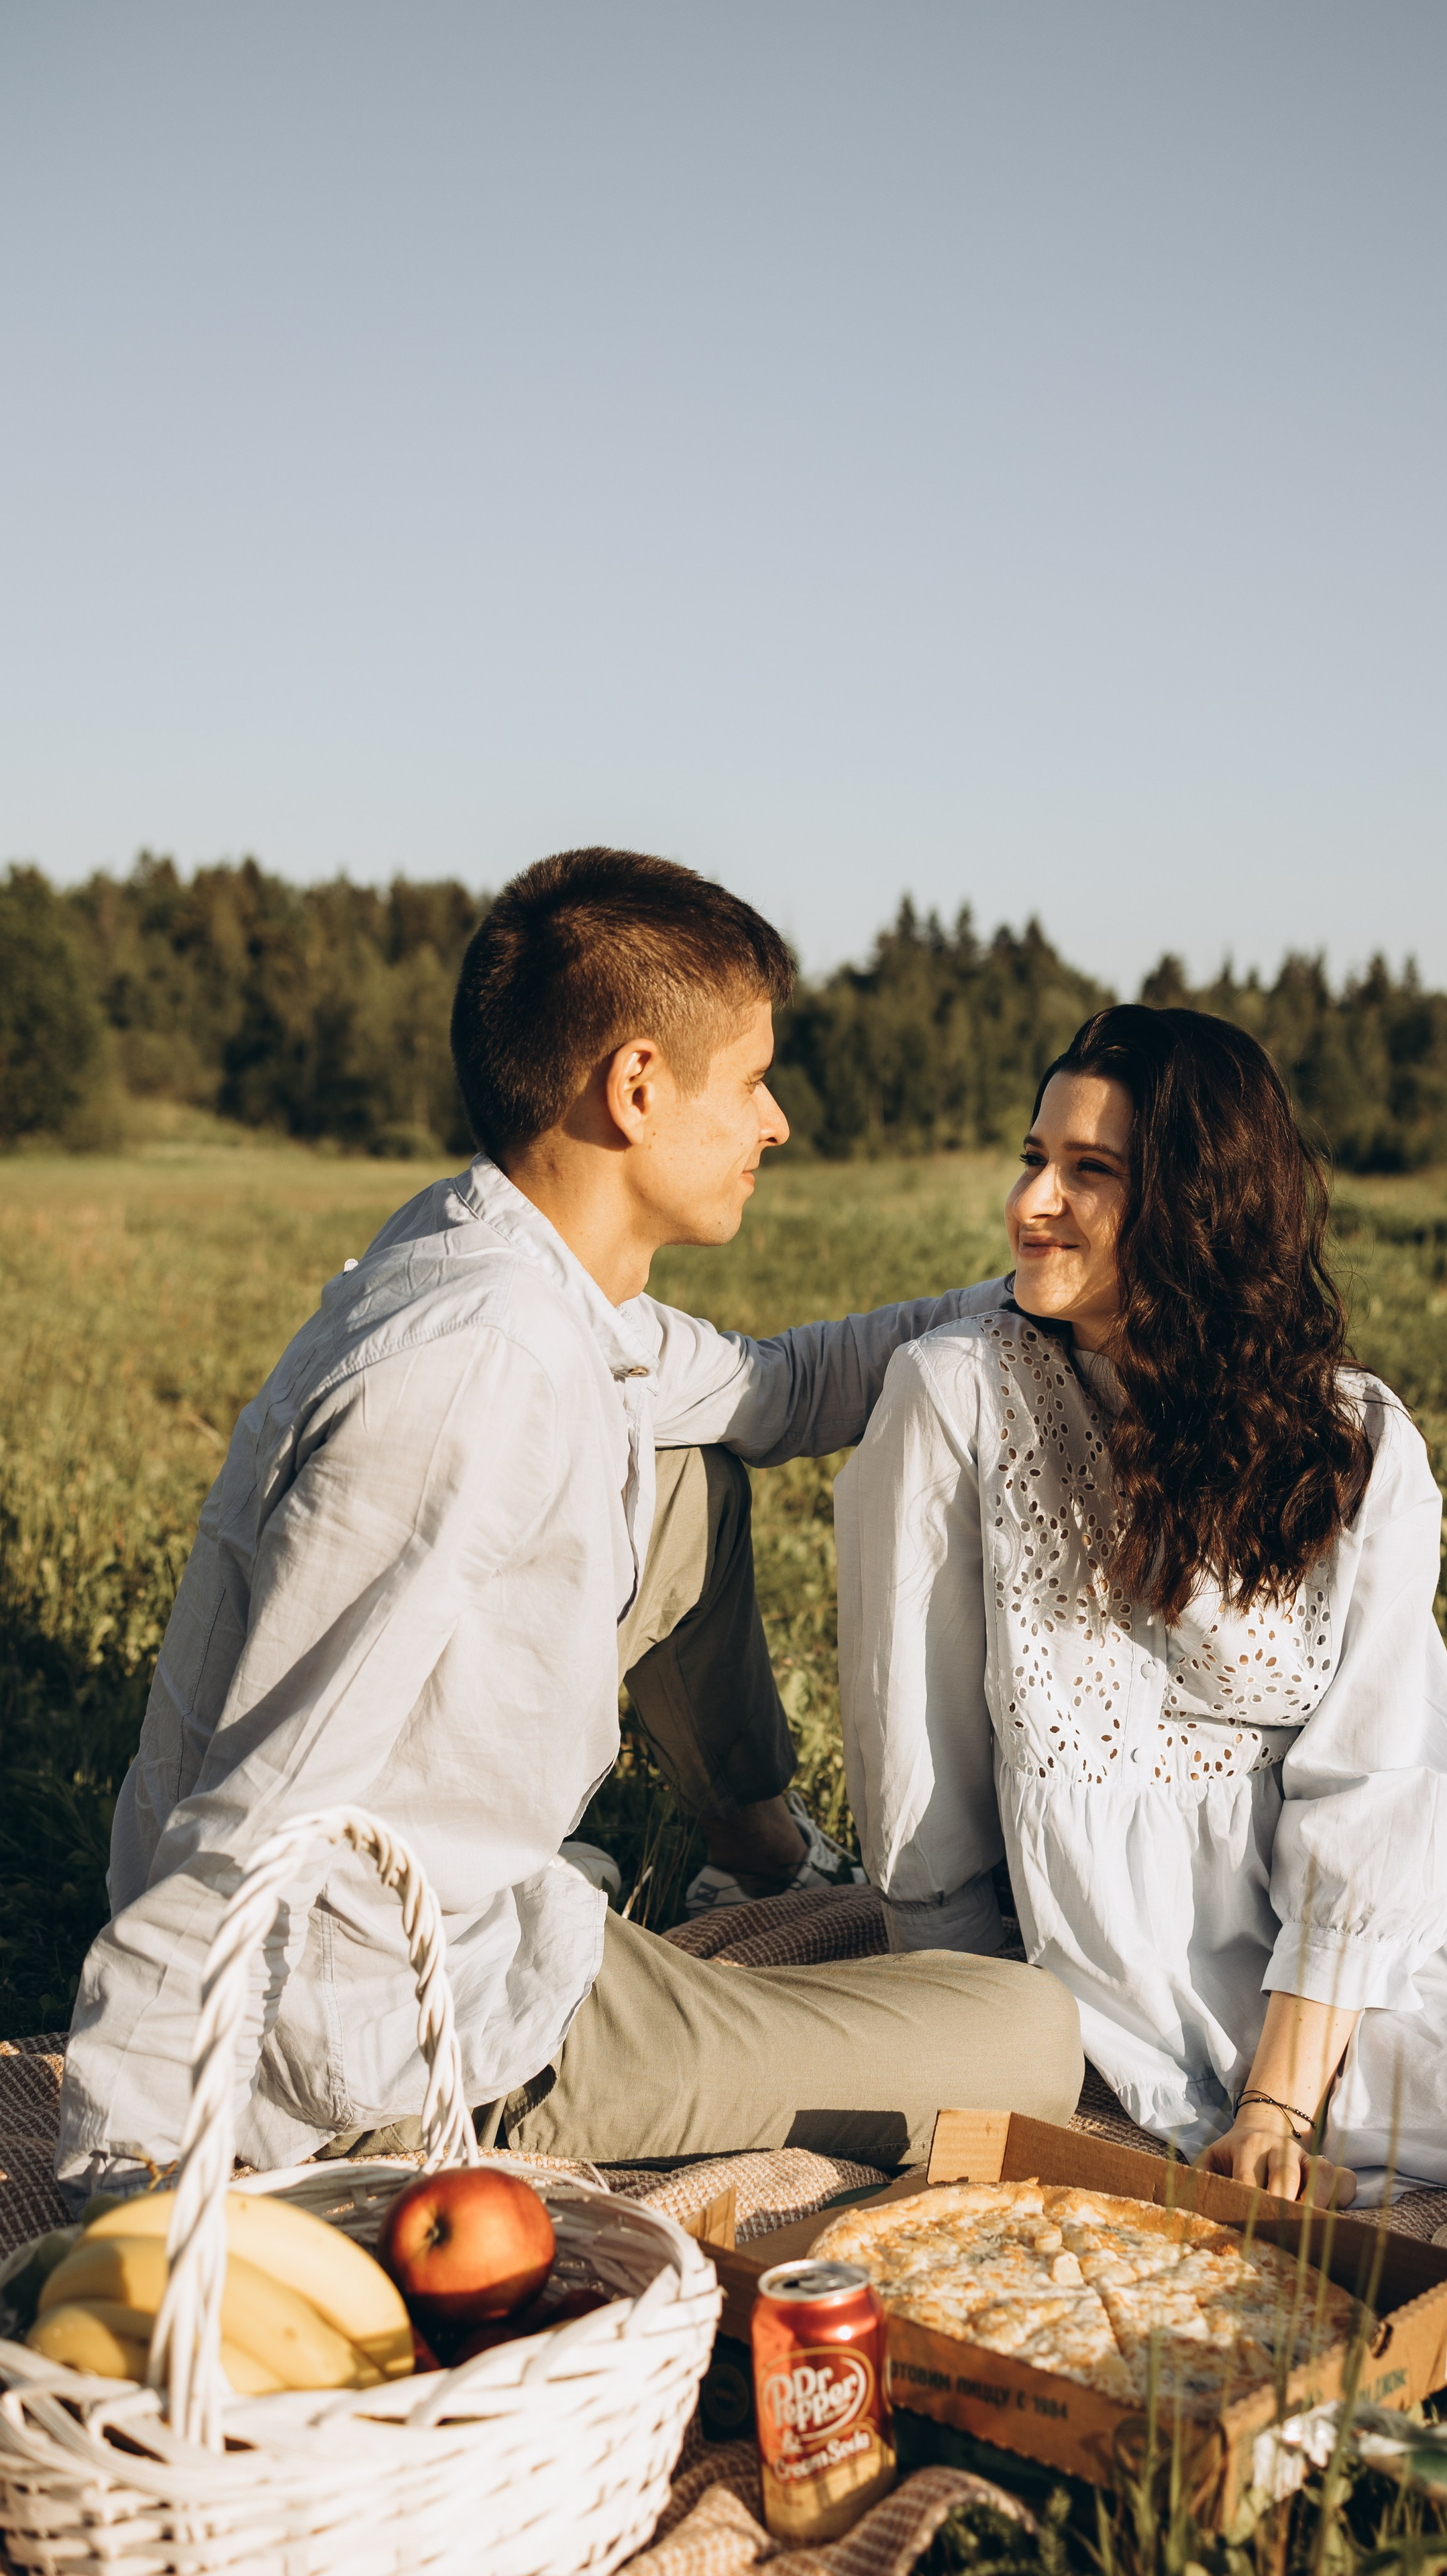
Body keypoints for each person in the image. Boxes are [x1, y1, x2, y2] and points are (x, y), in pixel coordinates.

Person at [56, 849, 1082, 2202]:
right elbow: (260, 1802)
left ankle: (753, 1850)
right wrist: (120, 2173)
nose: (773, 1124)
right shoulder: (474, 1371)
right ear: (637, 1087)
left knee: (689, 1469)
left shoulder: (520, 1270)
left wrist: (1040, 1290)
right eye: (751, 1084)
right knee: (1036, 2036)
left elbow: (778, 1391)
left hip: (490, 1914)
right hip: (396, 2049)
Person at [836, 1003, 1447, 2217]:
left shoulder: (1352, 1435)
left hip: (1439, 1827)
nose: (1032, 1203)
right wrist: (1258, 2101)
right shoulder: (956, 1397)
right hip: (1205, 1966)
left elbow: (1381, 1769)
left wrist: (1282, 2097)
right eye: (1034, 1159)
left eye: (1091, 1173)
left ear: (1200, 1209)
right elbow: (914, 1750)